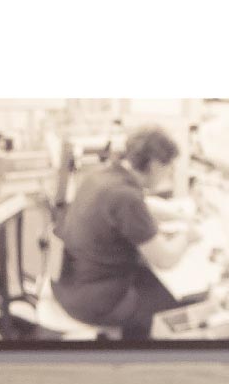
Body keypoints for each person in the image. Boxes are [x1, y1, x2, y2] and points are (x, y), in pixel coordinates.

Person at [53, 126, 198, 339]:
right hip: (94, 302)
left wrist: (178, 216)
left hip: (69, 286)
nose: (169, 175)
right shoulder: (126, 197)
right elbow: (165, 260)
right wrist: (187, 236)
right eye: (169, 168)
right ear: (155, 165)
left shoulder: (102, 176)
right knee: (181, 305)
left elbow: (140, 206)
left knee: (152, 280)